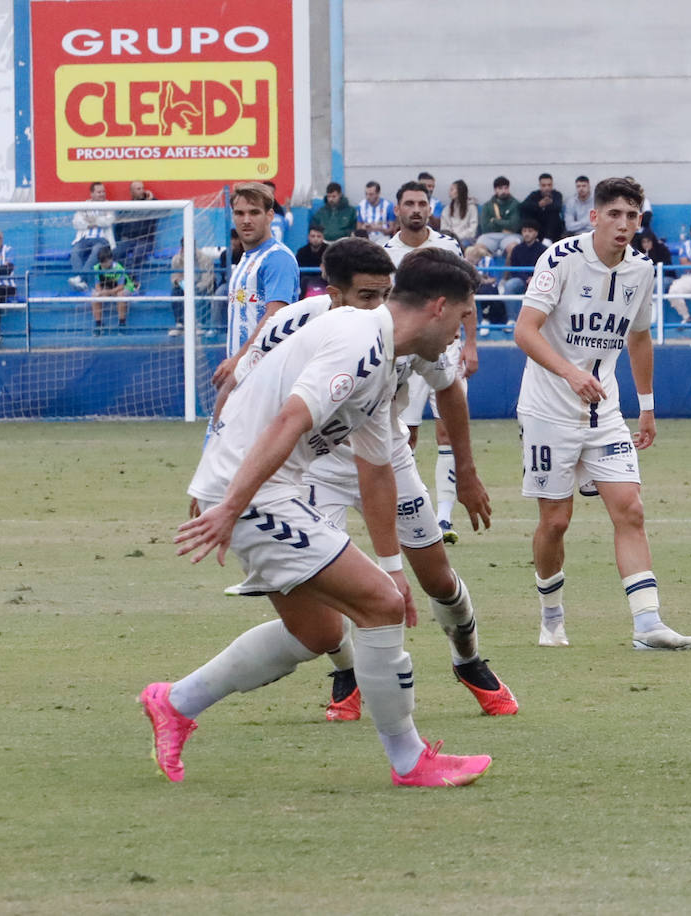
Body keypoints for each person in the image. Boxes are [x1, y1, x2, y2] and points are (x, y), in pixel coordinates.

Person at [142, 246, 492, 788]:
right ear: (439, 308)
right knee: (378, 607)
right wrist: (231, 506)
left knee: (317, 631)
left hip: (268, 490)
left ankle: (174, 702)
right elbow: (288, 420)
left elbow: (377, 469)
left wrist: (393, 568)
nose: (460, 335)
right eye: (463, 317)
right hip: (255, 492)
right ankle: (410, 760)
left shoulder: (384, 360)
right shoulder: (358, 341)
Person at [227, 239, 515, 720]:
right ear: (334, 294)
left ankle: (468, 660)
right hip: (315, 467)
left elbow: (449, 391)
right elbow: (241, 385)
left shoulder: (405, 330)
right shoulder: (296, 323)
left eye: (383, 293)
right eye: (365, 295)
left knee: (438, 579)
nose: (377, 305)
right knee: (327, 589)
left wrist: (465, 473)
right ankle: (347, 672)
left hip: (389, 459)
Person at [514, 176, 691, 651]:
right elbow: (525, 331)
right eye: (614, 214)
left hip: (605, 413)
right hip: (548, 411)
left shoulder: (643, 269)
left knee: (630, 509)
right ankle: (551, 618)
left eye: (632, 216)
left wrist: (647, 407)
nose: (623, 224)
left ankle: (647, 625)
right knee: (555, 522)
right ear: (594, 216)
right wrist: (570, 374)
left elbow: (639, 337)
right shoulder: (559, 258)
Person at [384, 181, 478, 543]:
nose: (416, 210)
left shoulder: (447, 246)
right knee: (405, 436)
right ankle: (407, 510)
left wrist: (470, 343)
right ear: (397, 210)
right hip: (405, 353)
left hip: (445, 348)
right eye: (409, 203)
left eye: (422, 203)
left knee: (446, 430)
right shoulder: (385, 253)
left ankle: (443, 517)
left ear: (430, 208)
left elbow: (466, 296)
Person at [212, 182, 300, 390]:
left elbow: (276, 317)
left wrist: (238, 360)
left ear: (269, 216)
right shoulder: (246, 259)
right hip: (244, 375)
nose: (246, 220)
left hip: (267, 376)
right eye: (239, 213)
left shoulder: (277, 258)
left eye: (254, 212)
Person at [69, 182, 115, 290]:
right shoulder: (84, 206)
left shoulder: (109, 205)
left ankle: (80, 278)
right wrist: (95, 222)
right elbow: (76, 223)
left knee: (96, 251)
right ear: (92, 194)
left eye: (103, 192)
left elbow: (109, 221)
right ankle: (81, 282)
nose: (102, 194)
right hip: (84, 239)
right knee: (75, 251)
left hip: (102, 239)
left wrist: (91, 221)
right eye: (99, 192)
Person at [113, 180, 159, 290]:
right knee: (115, 253)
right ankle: (130, 278)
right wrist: (120, 239)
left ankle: (131, 281)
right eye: (138, 189)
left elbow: (162, 209)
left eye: (142, 188)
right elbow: (119, 226)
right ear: (132, 192)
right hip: (129, 240)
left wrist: (152, 199)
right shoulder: (127, 207)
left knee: (137, 255)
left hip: (145, 240)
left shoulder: (150, 205)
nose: (142, 191)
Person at [169, 237, 216, 338]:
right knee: (175, 292)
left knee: (204, 292)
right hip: (185, 286)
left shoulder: (205, 259)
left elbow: (208, 279)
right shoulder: (176, 260)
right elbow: (174, 278)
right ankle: (180, 324)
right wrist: (181, 283)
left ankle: (201, 324)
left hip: (201, 285)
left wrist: (195, 288)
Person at [89, 245, 135, 334]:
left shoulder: (118, 268)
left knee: (120, 295)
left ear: (111, 259)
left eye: (106, 262)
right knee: (95, 296)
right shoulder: (97, 268)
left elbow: (121, 286)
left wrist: (108, 292)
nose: (104, 265)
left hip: (124, 287)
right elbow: (97, 286)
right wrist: (100, 293)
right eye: (102, 263)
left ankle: (122, 324)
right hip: (109, 287)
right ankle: (98, 324)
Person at [476, 176, 522, 258]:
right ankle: (488, 265)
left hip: (511, 236)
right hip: (490, 236)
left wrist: (495, 221)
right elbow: (485, 228)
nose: (503, 191)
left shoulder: (515, 204)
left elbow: (514, 226)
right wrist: (505, 224)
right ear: (495, 190)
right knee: (477, 250)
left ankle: (508, 267)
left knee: (514, 249)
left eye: (506, 188)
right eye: (500, 188)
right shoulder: (487, 206)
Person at [503, 220, 546, 298]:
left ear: (536, 233)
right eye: (524, 231)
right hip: (521, 280)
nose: (526, 234)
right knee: (509, 285)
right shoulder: (516, 249)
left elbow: (545, 268)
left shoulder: (543, 249)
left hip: (539, 280)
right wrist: (526, 278)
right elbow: (514, 269)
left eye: (530, 231)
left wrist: (534, 278)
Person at [520, 173, 565, 243]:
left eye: (549, 185)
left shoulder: (557, 194)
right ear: (540, 186)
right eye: (544, 185)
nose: (547, 188)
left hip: (552, 230)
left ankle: (547, 240)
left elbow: (558, 206)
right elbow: (523, 206)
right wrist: (538, 205)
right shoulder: (534, 194)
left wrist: (547, 204)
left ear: (552, 185)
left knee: (553, 215)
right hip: (537, 226)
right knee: (528, 212)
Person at [440, 180, 478, 248]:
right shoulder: (447, 209)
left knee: (459, 245)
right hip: (450, 239)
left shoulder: (472, 208)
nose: (449, 192)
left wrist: (457, 236)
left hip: (466, 239)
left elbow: (472, 230)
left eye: (452, 189)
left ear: (460, 191)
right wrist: (451, 236)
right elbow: (443, 228)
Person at [296, 226, 329, 297]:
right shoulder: (301, 252)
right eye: (313, 236)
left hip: (325, 280)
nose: (315, 239)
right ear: (308, 237)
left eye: (318, 236)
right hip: (305, 281)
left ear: (323, 237)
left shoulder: (329, 251)